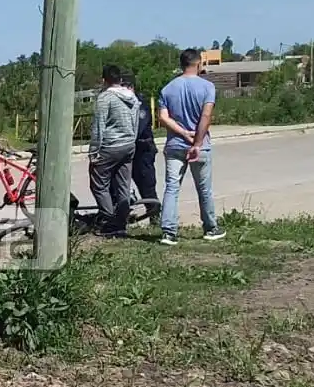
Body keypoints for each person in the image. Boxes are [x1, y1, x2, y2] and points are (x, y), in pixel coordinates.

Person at [157, 49, 226, 246]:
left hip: (175, 145)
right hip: (200, 146)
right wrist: (196, 142)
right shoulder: (207, 87)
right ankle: (210, 228)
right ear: (198, 63)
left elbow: (163, 117)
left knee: (171, 188)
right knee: (204, 189)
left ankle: (168, 232)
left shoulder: (167, 88)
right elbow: (206, 116)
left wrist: (182, 133)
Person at [87, 65, 140, 237]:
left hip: (110, 146)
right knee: (123, 185)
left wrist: (93, 152)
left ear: (104, 80)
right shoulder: (131, 97)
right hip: (128, 145)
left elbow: (98, 127)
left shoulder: (105, 98)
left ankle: (109, 221)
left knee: (99, 184)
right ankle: (121, 223)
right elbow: (136, 122)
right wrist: (132, 140)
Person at [123, 72, 160, 218]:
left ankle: (155, 215)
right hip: (128, 149)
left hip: (142, 150)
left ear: (131, 87)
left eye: (124, 87)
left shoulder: (140, 104)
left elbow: (139, 128)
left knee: (146, 184)